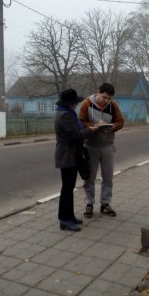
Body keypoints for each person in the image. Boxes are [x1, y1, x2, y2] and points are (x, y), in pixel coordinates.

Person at [79, 82, 124, 218]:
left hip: (107, 146)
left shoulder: (113, 106)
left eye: (109, 98)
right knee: (89, 178)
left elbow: (120, 121)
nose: (107, 101)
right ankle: (89, 204)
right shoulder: (87, 104)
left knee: (108, 177)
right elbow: (81, 122)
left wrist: (112, 127)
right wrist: (93, 126)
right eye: (104, 97)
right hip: (91, 146)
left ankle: (105, 203)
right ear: (98, 92)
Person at [55, 88, 97, 232]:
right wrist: (91, 130)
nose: (76, 105)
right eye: (75, 103)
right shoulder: (65, 116)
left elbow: (77, 132)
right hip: (67, 156)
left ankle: (69, 216)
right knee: (67, 188)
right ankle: (64, 220)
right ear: (70, 103)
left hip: (71, 155)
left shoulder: (68, 113)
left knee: (69, 187)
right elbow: (75, 136)